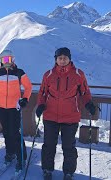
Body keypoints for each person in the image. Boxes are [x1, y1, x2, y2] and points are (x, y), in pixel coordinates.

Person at [36, 47, 96, 180]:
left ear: (69, 59)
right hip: (50, 115)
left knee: (69, 147)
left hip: (70, 117)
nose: (62, 60)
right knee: (49, 146)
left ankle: (68, 173)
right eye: (60, 58)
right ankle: (47, 170)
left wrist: (89, 103)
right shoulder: (48, 75)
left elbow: (85, 92)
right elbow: (42, 93)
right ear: (56, 59)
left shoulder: (78, 74)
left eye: (65, 58)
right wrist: (40, 105)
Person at [0, 49, 32, 172]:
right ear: (1, 61)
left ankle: (21, 157)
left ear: (13, 60)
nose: (7, 62)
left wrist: (25, 99)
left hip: (14, 108)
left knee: (15, 133)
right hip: (1, 108)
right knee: (6, 132)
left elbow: (28, 86)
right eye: (5, 60)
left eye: (9, 59)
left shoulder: (19, 73)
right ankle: (10, 153)